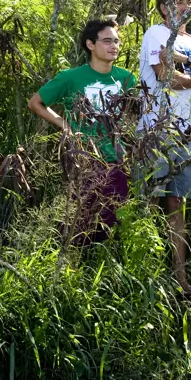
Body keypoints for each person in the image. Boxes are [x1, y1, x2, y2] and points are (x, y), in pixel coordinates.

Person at [137, 0, 191, 301]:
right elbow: (165, 76)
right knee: (149, 198)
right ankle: (141, 274)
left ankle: (179, 280)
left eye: (189, 1)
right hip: (159, 129)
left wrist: (187, 62)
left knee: (177, 204)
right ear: (164, 7)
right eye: (179, 1)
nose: (186, 6)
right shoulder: (156, 34)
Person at [28, 19, 137, 245]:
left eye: (116, 41)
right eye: (107, 41)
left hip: (116, 157)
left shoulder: (126, 78)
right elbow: (36, 103)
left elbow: (129, 114)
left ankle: (103, 268)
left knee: (114, 219)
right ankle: (71, 268)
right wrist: (65, 125)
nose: (114, 46)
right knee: (80, 220)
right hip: (83, 157)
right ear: (90, 44)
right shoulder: (71, 77)